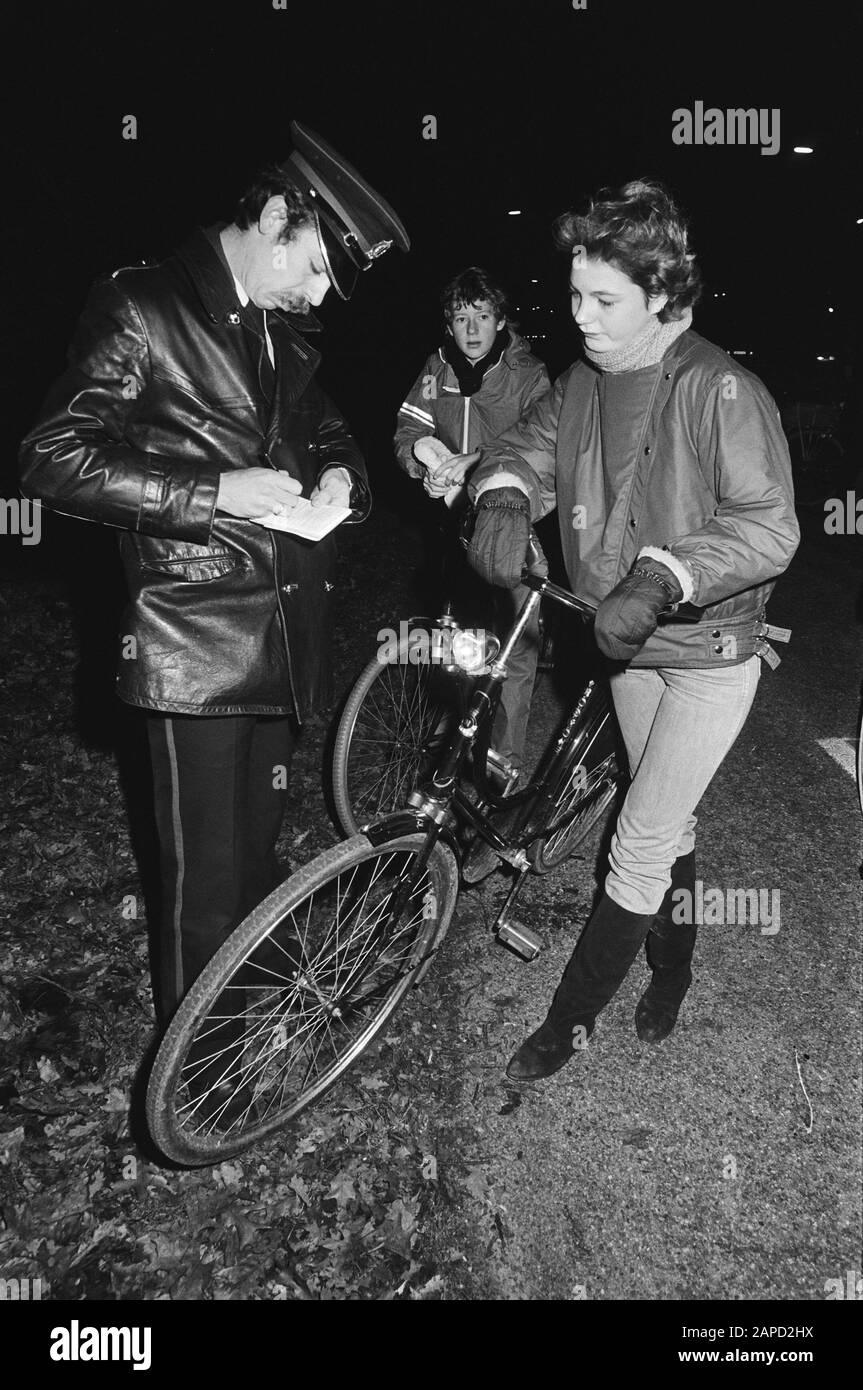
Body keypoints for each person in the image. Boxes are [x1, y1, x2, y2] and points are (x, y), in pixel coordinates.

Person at [18, 121, 409, 1033]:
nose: (316, 295)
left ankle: (249, 1025)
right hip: (191, 646)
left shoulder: (279, 333)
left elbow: (331, 433)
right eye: (312, 267)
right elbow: (50, 457)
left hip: (280, 631)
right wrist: (211, 491)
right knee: (202, 885)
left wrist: (343, 475)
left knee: (254, 857)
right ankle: (201, 1082)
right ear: (277, 215)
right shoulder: (142, 305)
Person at [464, 179, 800, 1081]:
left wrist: (664, 572)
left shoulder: (722, 388)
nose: (582, 317)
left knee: (639, 837)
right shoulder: (579, 383)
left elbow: (769, 523)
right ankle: (675, 965)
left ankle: (565, 1025)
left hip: (706, 655)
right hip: (622, 647)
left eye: (604, 300)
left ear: (662, 297)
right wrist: (499, 495)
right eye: (574, 295)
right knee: (673, 824)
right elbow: (523, 453)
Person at [393, 267, 550, 777]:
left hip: (512, 526)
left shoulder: (528, 374)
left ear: (500, 319)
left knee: (514, 647)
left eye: (482, 315)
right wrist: (422, 457)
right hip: (452, 527)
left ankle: (503, 761)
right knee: (459, 637)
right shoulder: (434, 369)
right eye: (461, 318)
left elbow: (543, 446)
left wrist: (477, 459)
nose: (472, 328)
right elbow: (406, 430)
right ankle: (459, 736)